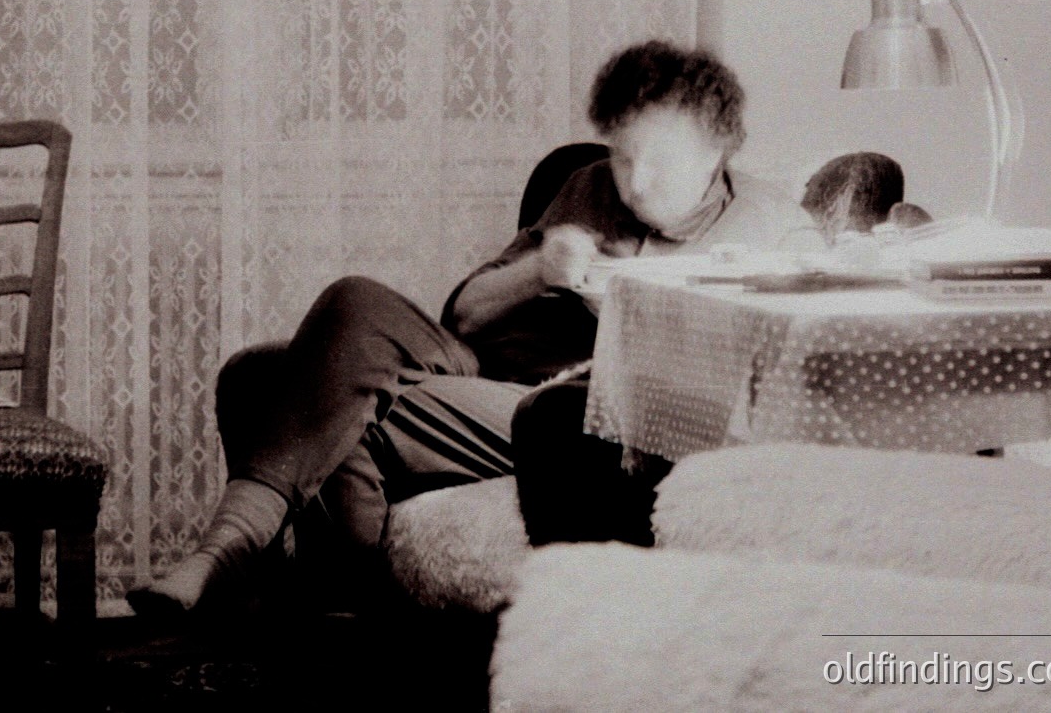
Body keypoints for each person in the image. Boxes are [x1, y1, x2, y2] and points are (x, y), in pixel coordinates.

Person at [127, 40, 815, 613]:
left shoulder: (771, 229)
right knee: (339, 311)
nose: (635, 182)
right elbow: (464, 313)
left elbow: (765, 389)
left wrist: (637, 321)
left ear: (717, 151)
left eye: (658, 160)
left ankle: (257, 564)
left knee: (301, 385)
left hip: (567, 413)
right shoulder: (588, 189)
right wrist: (541, 270)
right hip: (481, 372)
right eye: (623, 155)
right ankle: (275, 573)